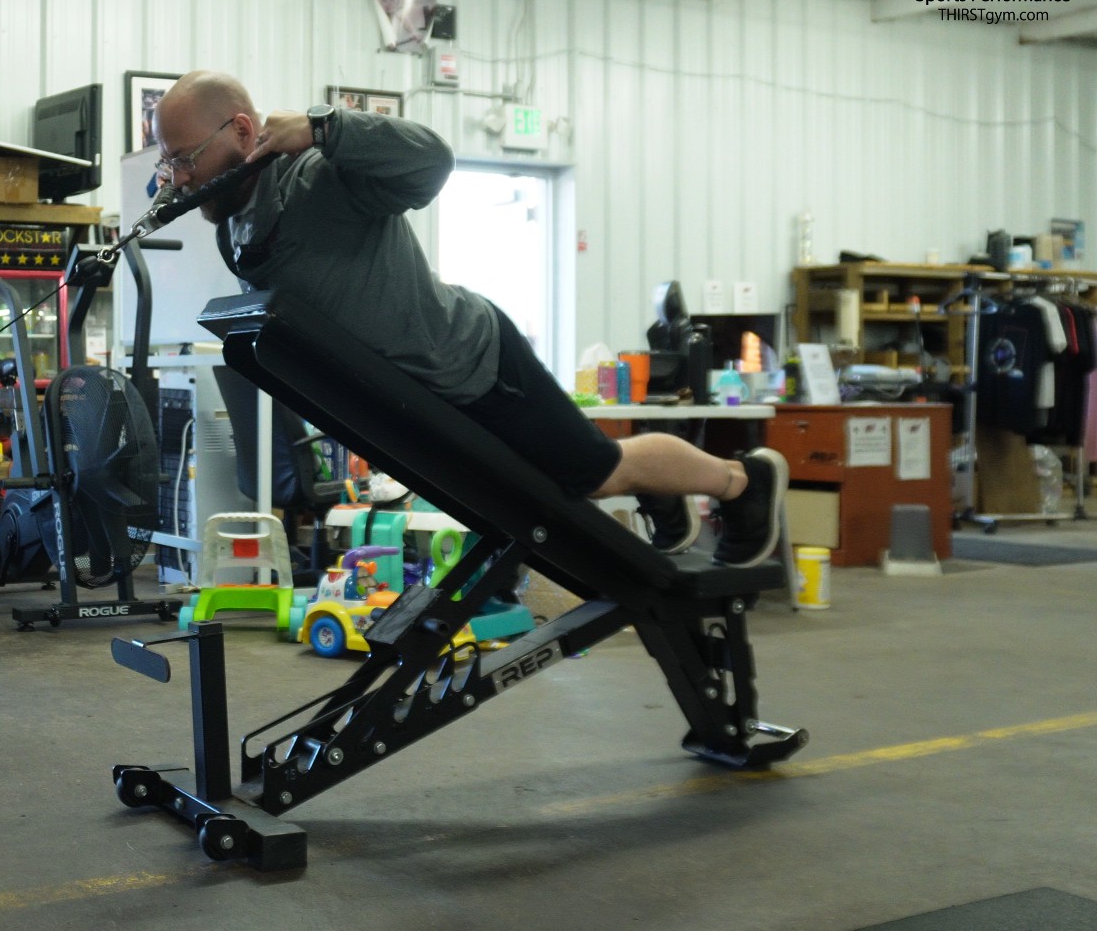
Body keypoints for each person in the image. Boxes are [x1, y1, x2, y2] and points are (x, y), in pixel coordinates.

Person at [150, 71, 787, 568]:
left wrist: (326, 126)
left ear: (240, 131)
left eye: (185, 159)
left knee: (596, 473)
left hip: (474, 366)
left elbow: (432, 162)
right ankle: (660, 488)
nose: (177, 180)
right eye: (168, 164)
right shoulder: (235, 222)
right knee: (536, 497)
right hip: (422, 404)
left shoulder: (322, 177)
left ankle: (741, 479)